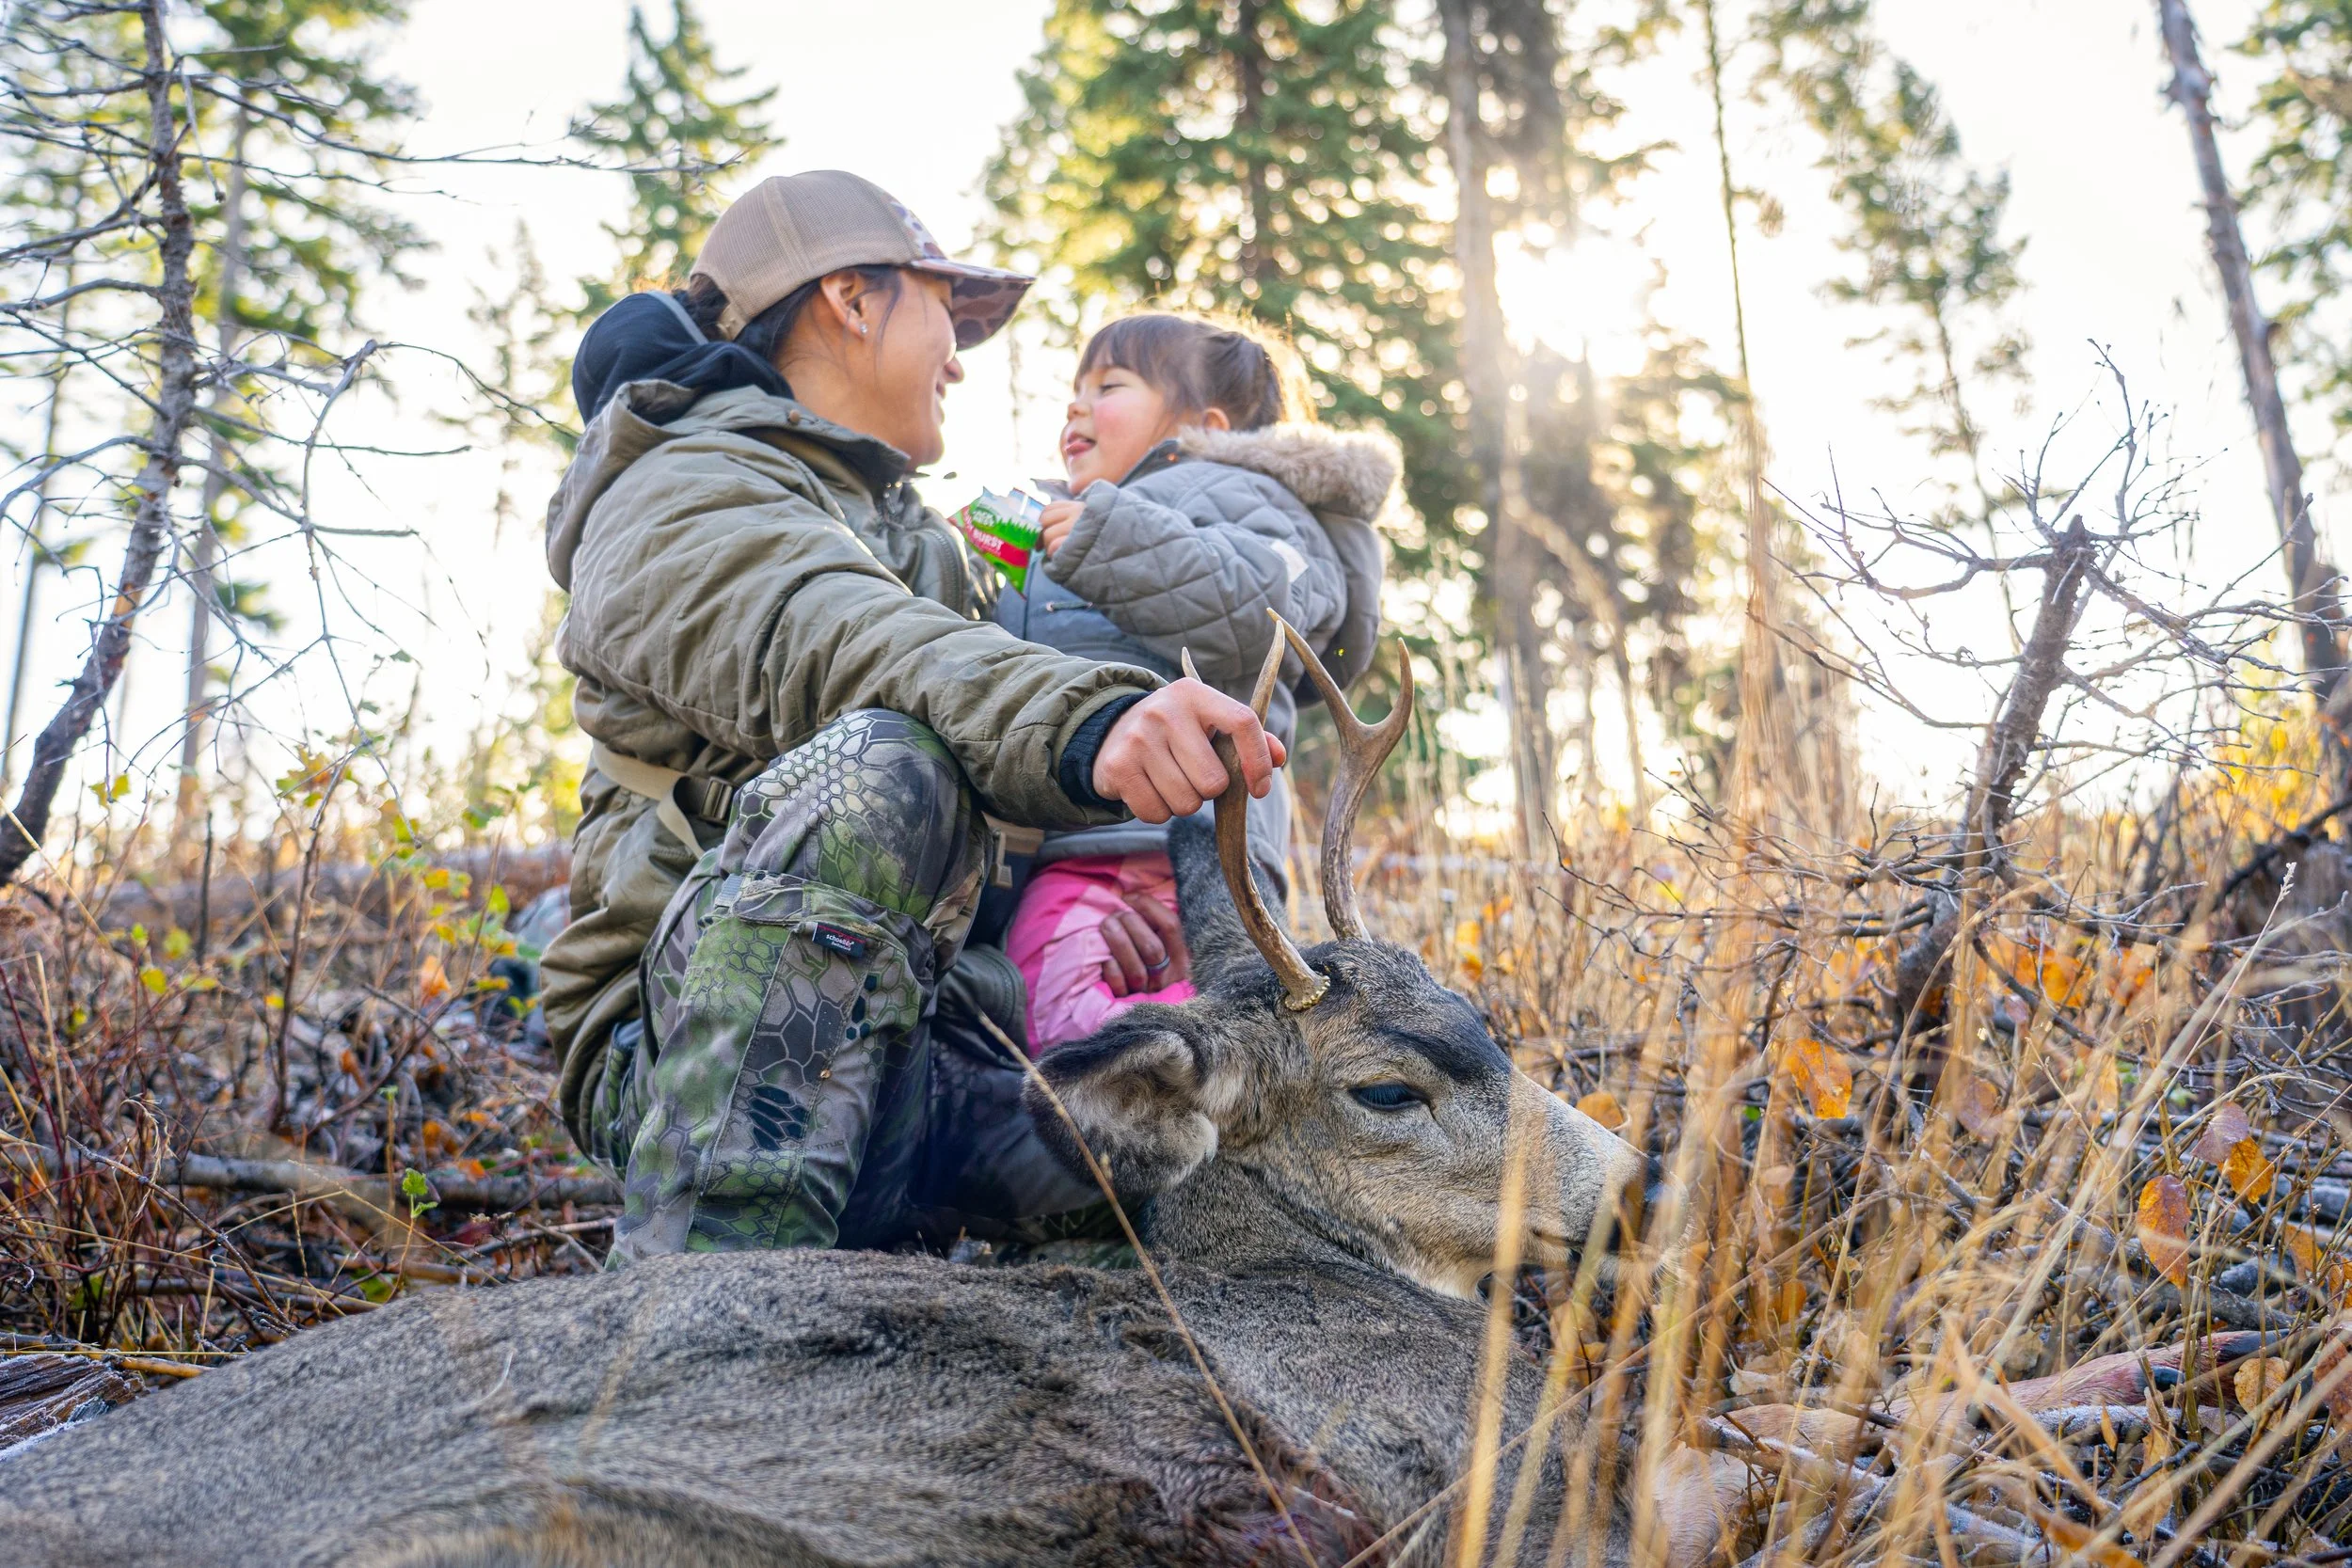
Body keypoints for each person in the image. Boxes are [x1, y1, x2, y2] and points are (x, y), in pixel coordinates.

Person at [539, 170, 1286, 1262]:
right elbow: (850, 642)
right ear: (850, 297)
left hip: (921, 1043)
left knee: (1183, 1128)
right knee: (885, 767)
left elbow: (990, 727)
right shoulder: (675, 488)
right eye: (947, 312)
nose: (958, 355)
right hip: (682, 1051)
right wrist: (1097, 728)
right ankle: (699, 1293)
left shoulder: (912, 532)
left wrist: (1118, 906)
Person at [993, 313, 1394, 1052]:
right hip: (1074, 841)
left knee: (1068, 1031)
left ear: (1206, 427)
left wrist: (1105, 538)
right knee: (1057, 1019)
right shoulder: (1060, 526)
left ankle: (1205, 1086)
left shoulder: (1238, 494)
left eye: (1108, 386)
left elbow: (1261, 609)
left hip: (1202, 859)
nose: (1076, 407)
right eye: (1074, 391)